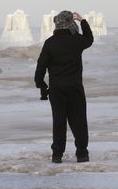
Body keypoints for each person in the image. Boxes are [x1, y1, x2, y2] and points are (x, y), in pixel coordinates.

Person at [34, 10, 94, 163]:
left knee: (59, 122)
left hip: (56, 89)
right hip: (75, 88)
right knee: (79, 121)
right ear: (70, 23)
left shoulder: (50, 43)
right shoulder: (76, 41)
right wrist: (83, 21)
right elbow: (89, 39)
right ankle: (82, 154)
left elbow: (41, 66)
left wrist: (41, 84)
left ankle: (57, 155)